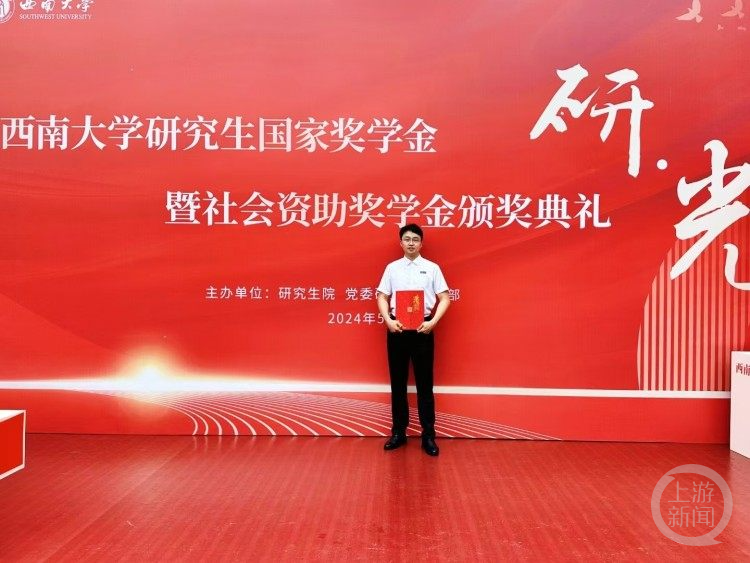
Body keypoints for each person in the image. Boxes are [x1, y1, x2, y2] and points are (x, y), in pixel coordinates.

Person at [376, 224, 450, 456]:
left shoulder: (432, 268)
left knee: (425, 385)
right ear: (401, 243)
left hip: (422, 329)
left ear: (421, 243)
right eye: (407, 239)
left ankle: (428, 435)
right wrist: (388, 320)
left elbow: (445, 298)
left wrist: (433, 321)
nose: (411, 243)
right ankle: (399, 432)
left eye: (415, 239)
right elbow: (382, 296)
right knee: (397, 384)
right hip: (397, 328)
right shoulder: (392, 268)